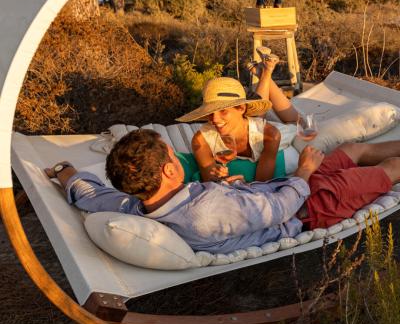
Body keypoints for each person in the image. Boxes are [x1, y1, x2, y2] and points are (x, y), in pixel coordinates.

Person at [45, 129, 400, 255]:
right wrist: (305, 170)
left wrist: (64, 171)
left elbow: (85, 192)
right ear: (170, 170)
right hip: (310, 206)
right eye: (172, 153)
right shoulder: (204, 212)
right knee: (388, 170)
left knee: (353, 148)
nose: (176, 154)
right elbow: (277, 210)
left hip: (285, 188)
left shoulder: (132, 204)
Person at [176, 76, 284, 182]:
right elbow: (210, 181)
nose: (215, 119)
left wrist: (243, 185)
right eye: (210, 112)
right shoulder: (201, 140)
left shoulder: (269, 135)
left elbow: (262, 184)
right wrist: (219, 178)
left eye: (223, 111)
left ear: (241, 108)